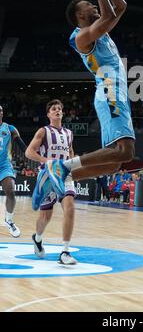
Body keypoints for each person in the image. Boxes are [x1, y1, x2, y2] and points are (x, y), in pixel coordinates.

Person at [37, 0, 135, 203]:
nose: (93, 4)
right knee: (126, 152)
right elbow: (111, 13)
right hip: (110, 90)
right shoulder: (82, 37)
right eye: (89, 4)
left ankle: (63, 177)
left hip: (116, 91)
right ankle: (63, 166)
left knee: (114, 164)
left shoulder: (99, 28)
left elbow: (120, 6)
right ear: (80, 15)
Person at [25, 99, 77, 265]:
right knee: (45, 218)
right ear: (48, 114)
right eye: (54, 109)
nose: (57, 111)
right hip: (48, 175)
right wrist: (45, 160)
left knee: (70, 207)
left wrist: (74, 163)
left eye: (59, 109)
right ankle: (37, 237)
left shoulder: (69, 133)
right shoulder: (43, 131)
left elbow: (70, 152)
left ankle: (65, 251)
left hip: (65, 174)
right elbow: (28, 152)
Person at [0, 104, 27, 237]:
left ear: (2, 113)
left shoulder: (9, 129)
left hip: (4, 165)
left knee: (11, 191)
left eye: (0, 110)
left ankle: (9, 220)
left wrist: (30, 153)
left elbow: (20, 144)